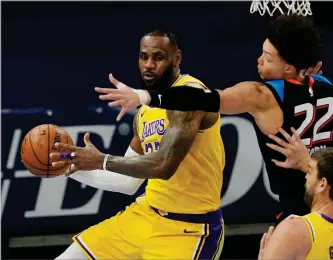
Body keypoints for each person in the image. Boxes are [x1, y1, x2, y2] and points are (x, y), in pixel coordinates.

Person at [95, 14, 333, 224]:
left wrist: (144, 96)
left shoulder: (261, 96)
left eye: (267, 58)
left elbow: (202, 98)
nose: (258, 61)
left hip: (301, 212)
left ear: (288, 68)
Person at [52, 29, 226, 260]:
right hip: (145, 216)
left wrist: (101, 160)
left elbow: (163, 166)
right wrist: (68, 167)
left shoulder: (191, 96)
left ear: (177, 58)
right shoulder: (144, 111)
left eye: (158, 57)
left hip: (188, 229)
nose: (149, 65)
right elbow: (127, 182)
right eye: (144, 57)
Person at [257, 147, 333, 259]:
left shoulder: (293, 231)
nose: (306, 176)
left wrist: (262, 257)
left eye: (310, 171)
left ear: (322, 183)